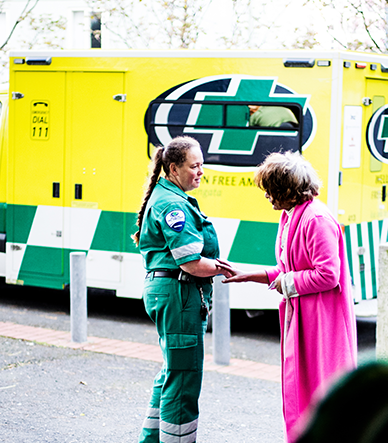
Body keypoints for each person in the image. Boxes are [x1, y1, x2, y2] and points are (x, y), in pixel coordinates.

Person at [218, 152, 358, 442]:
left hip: (322, 322)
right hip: (304, 317)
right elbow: (288, 269)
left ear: (287, 190)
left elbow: (328, 274)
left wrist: (284, 281)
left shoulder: (317, 219)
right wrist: (247, 274)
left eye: (271, 191)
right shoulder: (291, 214)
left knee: (319, 391)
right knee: (302, 389)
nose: (267, 197)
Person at [132, 136, 223, 443]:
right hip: (179, 294)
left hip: (171, 292)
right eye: (194, 166)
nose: (201, 171)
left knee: (172, 370)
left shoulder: (168, 195)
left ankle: (151, 438)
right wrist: (230, 270)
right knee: (183, 378)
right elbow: (191, 263)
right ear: (173, 168)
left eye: (202, 164)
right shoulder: (173, 203)